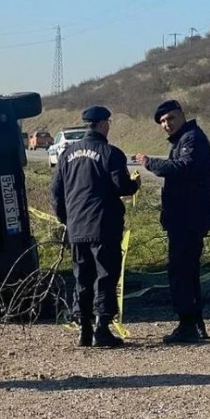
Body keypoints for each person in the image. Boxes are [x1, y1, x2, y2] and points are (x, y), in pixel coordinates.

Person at [50, 106, 140, 347]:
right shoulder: (111, 153)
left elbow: (56, 193)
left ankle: (84, 329)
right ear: (102, 124)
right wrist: (134, 185)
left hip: (77, 227)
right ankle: (102, 328)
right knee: (105, 275)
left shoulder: (66, 154)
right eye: (108, 122)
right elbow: (120, 185)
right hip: (103, 225)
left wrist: (65, 219)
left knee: (82, 277)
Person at [134, 100, 210, 344]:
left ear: (181, 116)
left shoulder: (192, 139)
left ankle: (187, 325)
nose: (167, 124)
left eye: (170, 118)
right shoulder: (184, 139)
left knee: (181, 272)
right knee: (188, 273)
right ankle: (195, 323)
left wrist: (150, 163)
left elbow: (183, 167)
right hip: (184, 218)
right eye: (162, 122)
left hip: (188, 219)